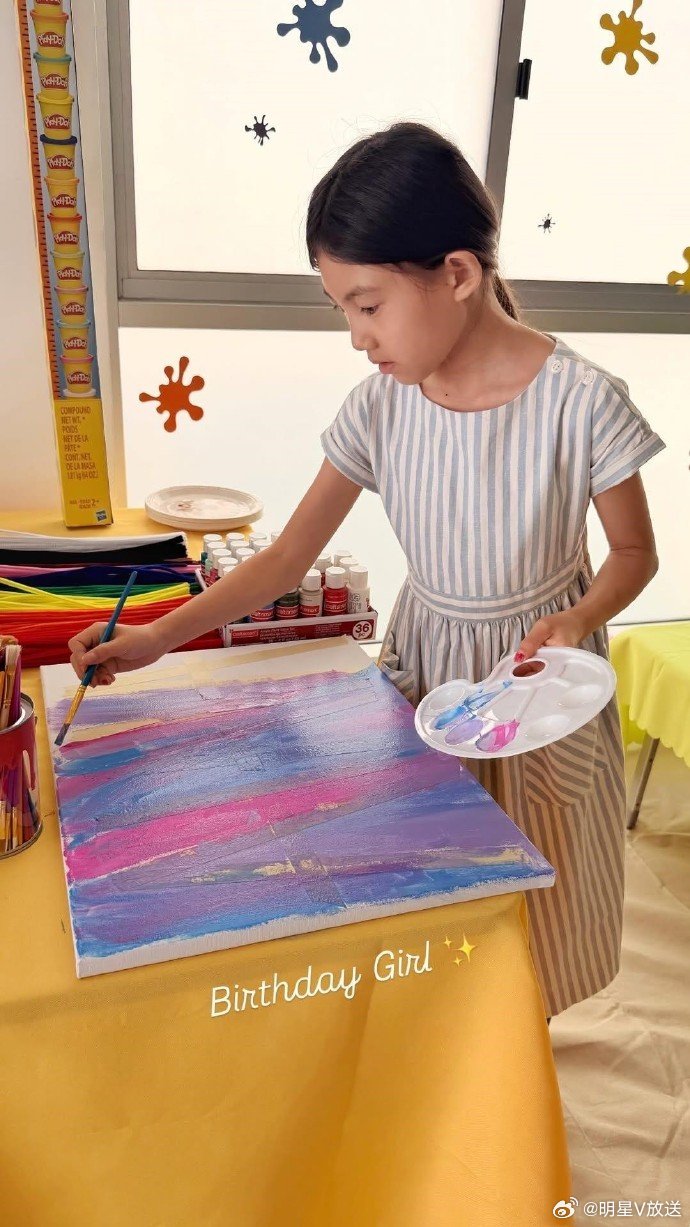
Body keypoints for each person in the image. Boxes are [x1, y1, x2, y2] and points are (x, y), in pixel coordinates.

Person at [69, 123, 664, 1021]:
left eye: (368, 304)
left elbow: (634, 553)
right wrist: (158, 636)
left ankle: (513, 1056)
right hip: (428, 676)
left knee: (533, 896)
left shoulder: (582, 401)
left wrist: (577, 621)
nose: (356, 336)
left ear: (457, 274)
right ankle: (435, 1042)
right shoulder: (380, 406)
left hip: (537, 687)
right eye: (343, 309)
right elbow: (284, 558)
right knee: (427, 878)